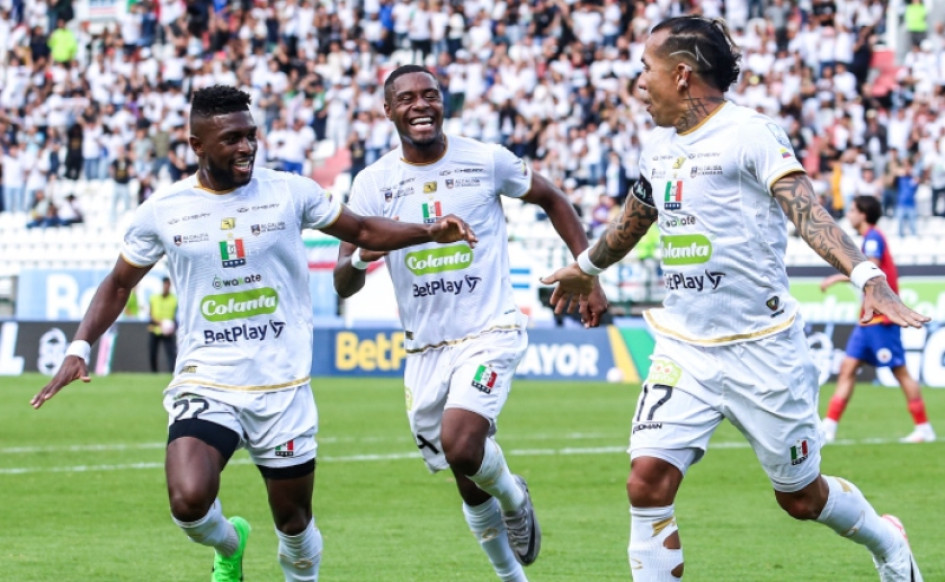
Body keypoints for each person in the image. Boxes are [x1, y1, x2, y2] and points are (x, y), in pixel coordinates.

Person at [31, 84, 476, 582]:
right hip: (207, 380)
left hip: (282, 388)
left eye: (251, 135)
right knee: (188, 502)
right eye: (232, 139)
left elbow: (363, 231)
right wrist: (79, 347)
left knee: (294, 524)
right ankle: (229, 543)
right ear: (197, 145)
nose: (246, 147)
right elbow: (118, 283)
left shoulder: (290, 191)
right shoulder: (164, 210)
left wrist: (428, 232)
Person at [540, 17, 930, 581]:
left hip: (763, 349)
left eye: (647, 69)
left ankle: (888, 540)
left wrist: (867, 276)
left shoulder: (751, 134)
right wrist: (586, 269)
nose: (639, 82)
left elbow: (809, 213)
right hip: (685, 348)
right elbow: (633, 220)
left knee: (801, 498)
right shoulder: (658, 148)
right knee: (646, 482)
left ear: (681, 74)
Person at [333, 64, 607, 582]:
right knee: (464, 472)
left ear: (443, 103)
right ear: (388, 110)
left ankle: (514, 497)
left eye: (430, 95)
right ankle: (512, 577)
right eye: (407, 98)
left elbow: (552, 197)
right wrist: (366, 254)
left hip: (489, 330)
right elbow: (343, 283)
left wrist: (587, 271)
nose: (421, 105)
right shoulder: (372, 184)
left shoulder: (484, 159)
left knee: (462, 443)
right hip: (426, 349)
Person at [820, 196, 935, 444]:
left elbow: (870, 270)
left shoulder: (873, 238)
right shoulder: (869, 238)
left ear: (863, 214)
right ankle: (828, 427)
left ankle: (923, 427)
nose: (849, 214)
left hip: (882, 319)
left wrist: (835, 278)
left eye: (853, 210)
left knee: (900, 372)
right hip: (867, 322)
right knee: (848, 369)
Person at [147, 276, 178, 373]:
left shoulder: (174, 299)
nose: (166, 287)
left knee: (171, 352)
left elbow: (175, 315)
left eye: (168, 285)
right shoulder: (154, 298)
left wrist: (172, 325)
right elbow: (150, 314)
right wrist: (161, 323)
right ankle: (154, 372)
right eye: (165, 284)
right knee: (153, 352)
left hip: (168, 331)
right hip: (155, 328)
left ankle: (172, 371)